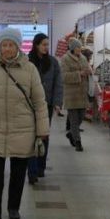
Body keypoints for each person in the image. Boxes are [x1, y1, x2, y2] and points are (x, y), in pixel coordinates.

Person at [0, 28, 49, 219]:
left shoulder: (30, 69)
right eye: (4, 44)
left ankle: (14, 208)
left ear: (18, 46)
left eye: (11, 45)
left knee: (18, 172)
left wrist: (42, 130)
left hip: (23, 128)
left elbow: (40, 102)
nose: (7, 48)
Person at [27, 33, 62, 183]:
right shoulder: (27, 62)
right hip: (29, 105)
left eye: (48, 44)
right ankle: (32, 171)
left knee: (43, 135)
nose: (46, 47)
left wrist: (57, 103)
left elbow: (58, 83)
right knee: (30, 136)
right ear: (36, 45)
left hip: (46, 105)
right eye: (43, 44)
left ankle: (41, 166)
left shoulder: (53, 62)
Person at [61, 38, 91, 151]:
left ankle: (71, 133)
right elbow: (64, 76)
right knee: (73, 120)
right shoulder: (65, 59)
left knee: (81, 116)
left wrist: (88, 71)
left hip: (82, 94)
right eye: (78, 47)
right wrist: (79, 74)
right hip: (71, 95)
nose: (80, 49)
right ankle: (78, 142)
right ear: (73, 48)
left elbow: (87, 69)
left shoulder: (83, 58)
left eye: (80, 47)